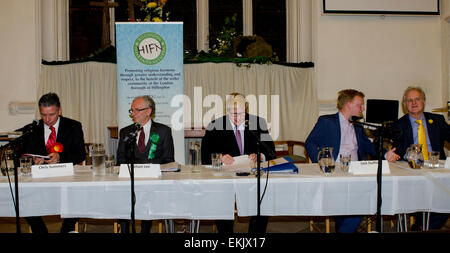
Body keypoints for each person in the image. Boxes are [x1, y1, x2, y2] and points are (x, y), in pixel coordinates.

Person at [305, 89, 396, 233]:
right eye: (360, 105)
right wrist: (321, 161)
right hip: (334, 172)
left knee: (362, 203)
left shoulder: (357, 126)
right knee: (349, 206)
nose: (363, 108)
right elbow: (310, 142)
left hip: (355, 172)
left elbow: (369, 147)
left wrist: (385, 155)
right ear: (348, 104)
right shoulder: (327, 121)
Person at [201, 93, 276, 233]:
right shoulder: (215, 126)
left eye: (240, 114)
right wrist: (220, 157)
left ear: (246, 111)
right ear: (227, 111)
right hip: (226, 178)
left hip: (252, 177)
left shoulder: (258, 123)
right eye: (232, 114)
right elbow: (205, 157)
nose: (236, 118)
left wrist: (261, 156)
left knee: (263, 200)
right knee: (221, 203)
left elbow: (271, 151)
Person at [22, 92, 86, 233]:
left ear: (59, 110)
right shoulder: (34, 128)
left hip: (66, 178)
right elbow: (25, 151)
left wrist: (60, 158)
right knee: (23, 201)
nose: (47, 119)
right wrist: (33, 159)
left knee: (77, 201)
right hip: (40, 179)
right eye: (43, 115)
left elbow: (80, 153)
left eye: (51, 114)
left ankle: (66, 230)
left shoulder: (73, 126)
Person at [390, 86, 449, 230]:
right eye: (409, 100)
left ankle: (422, 227)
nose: (414, 102)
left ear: (424, 101)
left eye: (417, 99)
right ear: (405, 105)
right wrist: (409, 155)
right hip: (412, 170)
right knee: (420, 197)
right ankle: (423, 225)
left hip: (437, 168)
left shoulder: (437, 120)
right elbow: (397, 151)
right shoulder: (398, 125)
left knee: (446, 199)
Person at [116, 95, 175, 233]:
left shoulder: (163, 131)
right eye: (131, 110)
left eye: (137, 110)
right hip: (129, 182)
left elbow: (168, 160)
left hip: (152, 184)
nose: (133, 113)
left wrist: (150, 171)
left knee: (148, 198)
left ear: (148, 111)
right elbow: (121, 160)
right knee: (121, 198)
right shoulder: (125, 132)